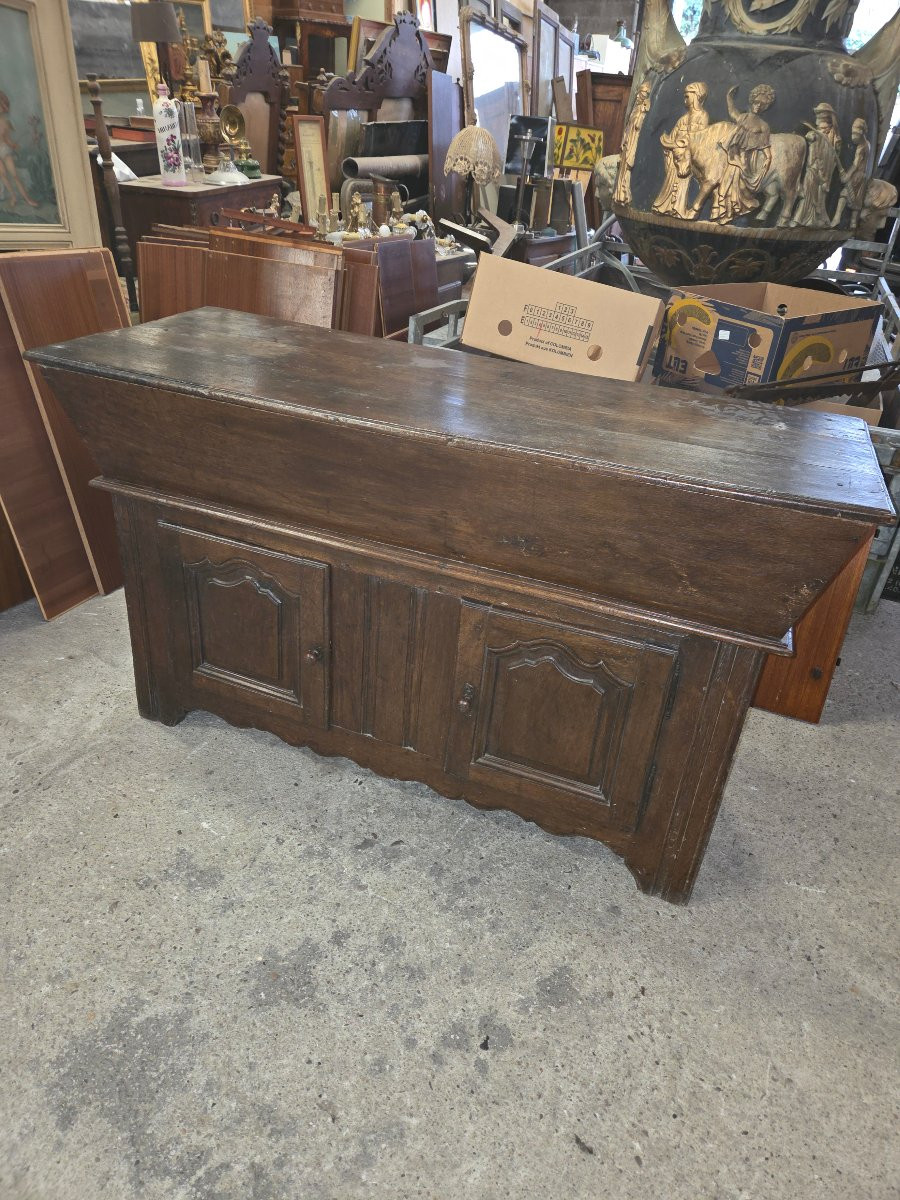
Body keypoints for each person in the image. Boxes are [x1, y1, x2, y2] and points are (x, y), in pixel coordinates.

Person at [652, 81, 709, 220]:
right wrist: (669, 142)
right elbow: (673, 134)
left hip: (687, 157)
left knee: (682, 184)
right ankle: (664, 206)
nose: (685, 100)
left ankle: (677, 209)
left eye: (687, 96)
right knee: (670, 182)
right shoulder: (683, 119)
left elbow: (699, 138)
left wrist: (680, 143)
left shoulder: (702, 116)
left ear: (696, 96)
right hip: (676, 155)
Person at [0, 91, 39, 209]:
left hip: (4, 150)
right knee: (3, 174)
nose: (3, 108)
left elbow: (6, 139)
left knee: (14, 175)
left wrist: (14, 145)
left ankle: (27, 199)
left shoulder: (6, 123)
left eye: (3, 106)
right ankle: (13, 196)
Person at [615, 81, 651, 206]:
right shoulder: (636, 108)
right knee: (623, 168)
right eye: (638, 93)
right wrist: (624, 141)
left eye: (641, 93)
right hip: (628, 142)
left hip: (634, 143)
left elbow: (638, 126)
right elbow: (628, 127)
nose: (637, 96)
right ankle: (620, 194)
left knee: (628, 170)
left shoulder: (643, 109)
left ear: (646, 94)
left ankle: (625, 193)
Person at [831, 117, 870, 229]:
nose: (853, 137)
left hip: (857, 175)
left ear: (861, 132)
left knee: (844, 194)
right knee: (857, 199)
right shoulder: (867, 144)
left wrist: (847, 176)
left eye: (855, 134)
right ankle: (853, 223)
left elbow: (856, 164)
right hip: (863, 176)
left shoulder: (861, 147)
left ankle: (837, 218)